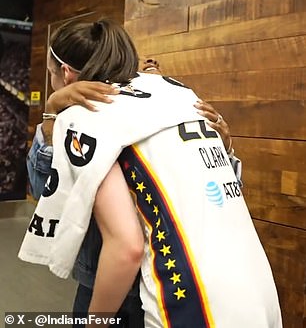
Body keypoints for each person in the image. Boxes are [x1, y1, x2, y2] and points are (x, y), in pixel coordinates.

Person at [20, 18, 281, 327]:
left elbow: (48, 192)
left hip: (138, 283)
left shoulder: (86, 118)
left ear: (65, 73)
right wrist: (226, 148)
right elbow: (221, 188)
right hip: (241, 279)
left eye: (50, 73)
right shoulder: (180, 98)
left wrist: (52, 111)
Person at [27, 68, 241, 328]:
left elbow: (127, 246)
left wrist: (224, 148)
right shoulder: (101, 117)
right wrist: (51, 114)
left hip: (160, 278)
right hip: (119, 276)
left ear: (65, 72)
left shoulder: (178, 112)